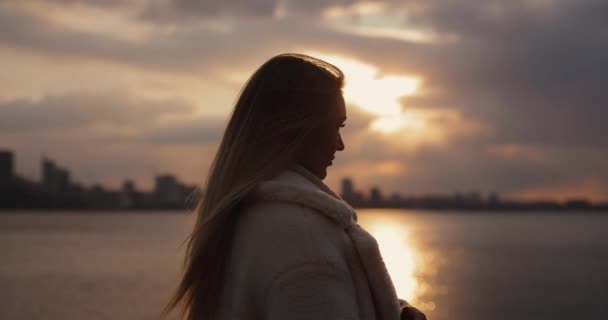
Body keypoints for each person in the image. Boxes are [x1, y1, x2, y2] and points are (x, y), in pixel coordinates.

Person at [164, 53, 427, 320]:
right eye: (336, 126)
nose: (340, 144)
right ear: (297, 128)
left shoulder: (243, 219)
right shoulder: (306, 241)